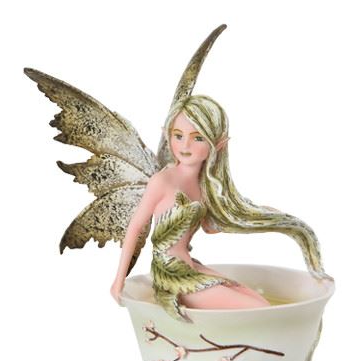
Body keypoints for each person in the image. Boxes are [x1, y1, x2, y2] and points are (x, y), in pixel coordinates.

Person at [110, 95, 328, 320]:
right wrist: (119, 281)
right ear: (167, 134)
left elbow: (209, 227)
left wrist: (254, 214)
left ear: (219, 143)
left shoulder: (206, 186)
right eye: (178, 135)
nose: (185, 146)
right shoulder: (163, 181)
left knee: (259, 301)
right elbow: (135, 228)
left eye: (198, 138)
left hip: (191, 266)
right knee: (258, 310)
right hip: (170, 274)